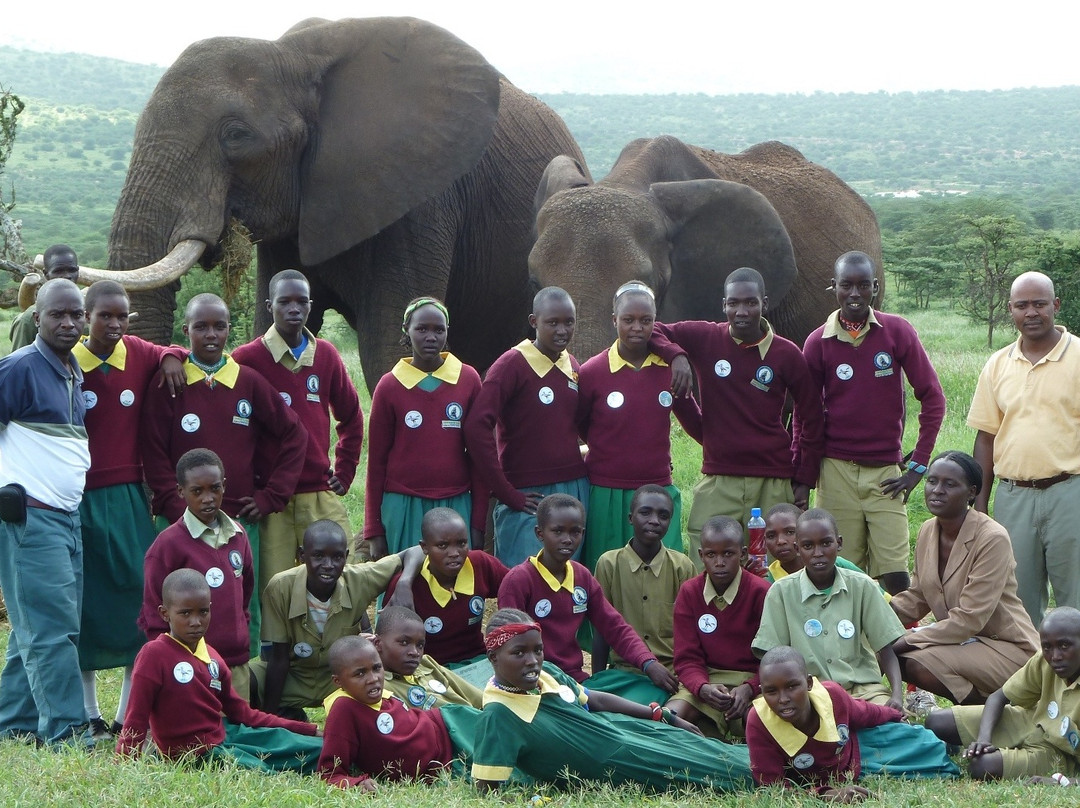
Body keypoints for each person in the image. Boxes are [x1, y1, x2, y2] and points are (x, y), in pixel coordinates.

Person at [140, 292, 307, 652]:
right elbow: (152, 450)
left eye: (219, 326)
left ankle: (242, 686)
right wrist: (172, 504)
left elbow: (295, 433)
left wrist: (272, 495)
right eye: (201, 327)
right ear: (186, 330)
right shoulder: (170, 382)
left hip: (237, 521)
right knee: (181, 607)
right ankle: (181, 679)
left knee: (241, 604)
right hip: (180, 519)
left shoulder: (248, 381)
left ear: (230, 329)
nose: (211, 334)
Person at [648, 267, 824, 565]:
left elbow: (812, 416)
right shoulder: (705, 337)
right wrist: (676, 355)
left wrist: (804, 478)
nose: (742, 311)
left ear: (764, 304)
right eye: (734, 303)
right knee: (709, 562)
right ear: (724, 305)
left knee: (774, 566)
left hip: (773, 479)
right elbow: (652, 329)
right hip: (719, 479)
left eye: (751, 303)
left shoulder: (786, 353)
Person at [72, 280, 185, 739]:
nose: (115, 325)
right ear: (85, 318)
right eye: (105, 316)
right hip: (76, 497)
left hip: (127, 496)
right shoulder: (67, 360)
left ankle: (125, 715)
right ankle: (86, 713)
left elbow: (168, 350)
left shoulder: (137, 353)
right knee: (83, 604)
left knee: (138, 598)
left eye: (122, 316)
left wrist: (174, 354)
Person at [470, 608, 753, 792]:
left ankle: (789, 757)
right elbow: (486, 790)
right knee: (721, 772)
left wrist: (662, 716)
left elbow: (595, 701)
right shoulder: (498, 714)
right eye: (519, 653)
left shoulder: (547, 673)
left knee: (698, 744)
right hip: (617, 763)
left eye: (538, 650)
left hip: (621, 731)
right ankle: (785, 772)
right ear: (493, 658)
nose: (533, 661)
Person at [799, 251, 945, 595]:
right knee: (840, 572)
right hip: (835, 472)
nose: (854, 293)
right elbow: (804, 417)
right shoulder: (817, 342)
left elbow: (933, 398)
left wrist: (918, 467)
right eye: (846, 285)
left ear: (875, 288)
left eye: (863, 285)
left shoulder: (897, 332)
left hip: (886, 474)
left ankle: (899, 644)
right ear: (832, 287)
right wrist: (804, 478)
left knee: (895, 575)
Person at [231, 269, 363, 599]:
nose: (294, 309)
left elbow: (351, 417)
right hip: (270, 497)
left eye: (301, 302)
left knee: (342, 578)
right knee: (274, 589)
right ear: (268, 306)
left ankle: (342, 646)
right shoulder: (248, 359)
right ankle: (278, 651)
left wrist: (344, 472)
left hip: (317, 491)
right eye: (284, 302)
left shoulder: (327, 355)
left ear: (310, 306)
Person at [0, 278, 91, 745]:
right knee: (52, 629)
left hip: (66, 518)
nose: (69, 322)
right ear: (37, 318)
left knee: (37, 626)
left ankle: (14, 724)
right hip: (30, 519)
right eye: (58, 314)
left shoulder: (73, 371)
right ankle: (69, 731)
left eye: (76, 314)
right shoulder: (19, 368)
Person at [116, 569, 321, 770]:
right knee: (259, 769)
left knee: (309, 747)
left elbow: (242, 713)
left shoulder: (212, 657)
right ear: (165, 613)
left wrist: (308, 730)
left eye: (203, 612)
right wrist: (125, 765)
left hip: (227, 734)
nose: (196, 622)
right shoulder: (154, 655)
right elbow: (136, 718)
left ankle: (340, 750)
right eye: (185, 613)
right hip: (197, 754)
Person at [969, 271, 1080, 625]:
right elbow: (986, 436)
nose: (1031, 312)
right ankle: (1027, 679)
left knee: (1074, 597)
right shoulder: (998, 364)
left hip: (1070, 493)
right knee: (1017, 600)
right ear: (1010, 310)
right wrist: (981, 503)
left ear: (1055, 306)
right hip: (1013, 497)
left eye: (1039, 304)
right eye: (1022, 305)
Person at [890, 451, 1038, 705]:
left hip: (1007, 648)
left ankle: (985, 716)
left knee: (912, 660)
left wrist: (906, 640)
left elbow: (969, 619)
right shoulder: (927, 530)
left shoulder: (992, 538)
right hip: (962, 642)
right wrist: (869, 621)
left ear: (971, 492)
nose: (937, 490)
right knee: (896, 656)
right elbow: (917, 597)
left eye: (950, 484)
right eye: (932, 481)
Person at [575, 282, 700, 569]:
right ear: (614, 321)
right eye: (628, 320)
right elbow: (580, 424)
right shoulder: (594, 371)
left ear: (655, 323)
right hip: (606, 491)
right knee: (605, 571)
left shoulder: (667, 370)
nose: (636, 328)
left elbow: (693, 421)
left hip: (656, 489)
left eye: (646, 321)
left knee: (663, 572)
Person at [463, 287, 589, 567]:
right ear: (534, 322)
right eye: (552, 322)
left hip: (573, 489)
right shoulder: (511, 365)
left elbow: (581, 424)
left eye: (569, 322)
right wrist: (506, 492)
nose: (562, 330)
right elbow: (476, 426)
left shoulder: (572, 366)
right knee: (523, 578)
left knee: (567, 579)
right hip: (528, 494)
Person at [497, 494, 674, 691]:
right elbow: (508, 645)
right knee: (617, 711)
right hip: (536, 681)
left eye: (575, 532)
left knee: (645, 686)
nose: (567, 540)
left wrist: (648, 663)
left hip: (576, 680)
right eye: (557, 531)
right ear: (540, 533)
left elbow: (614, 626)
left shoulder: (581, 576)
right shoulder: (519, 580)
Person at [250, 520, 421, 718]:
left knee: (389, 685)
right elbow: (278, 659)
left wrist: (404, 582)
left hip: (343, 676)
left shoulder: (360, 579)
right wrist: (270, 719)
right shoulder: (280, 587)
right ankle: (288, 716)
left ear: (346, 557)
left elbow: (415, 552)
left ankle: (365, 727)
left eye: (337, 557)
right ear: (301, 555)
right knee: (243, 680)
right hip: (294, 674)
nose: (328, 565)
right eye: (318, 556)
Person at [363, 297, 485, 559]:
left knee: (455, 588)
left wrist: (477, 522)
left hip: (456, 503)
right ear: (406, 330)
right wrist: (373, 529)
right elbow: (376, 463)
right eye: (422, 329)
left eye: (438, 329)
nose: (431, 337)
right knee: (405, 586)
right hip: (403, 505)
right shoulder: (390, 386)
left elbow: (479, 457)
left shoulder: (468, 380)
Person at [752, 508, 905, 708]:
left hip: (863, 691)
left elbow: (885, 648)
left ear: (839, 543)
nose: (818, 553)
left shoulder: (862, 586)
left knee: (896, 727)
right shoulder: (780, 592)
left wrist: (896, 696)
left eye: (826, 543)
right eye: (808, 546)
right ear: (798, 549)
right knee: (760, 719)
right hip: (807, 694)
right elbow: (771, 657)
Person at [138, 448, 255, 701]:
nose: (208, 499)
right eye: (197, 491)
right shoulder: (167, 545)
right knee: (200, 738)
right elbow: (153, 611)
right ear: (181, 491)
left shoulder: (238, 535)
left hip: (235, 663)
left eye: (214, 488)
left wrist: (241, 633)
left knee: (240, 733)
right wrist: (171, 662)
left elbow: (245, 593)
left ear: (224, 486)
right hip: (190, 667)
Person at [925, 607, 1080, 785]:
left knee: (981, 767)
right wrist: (984, 739)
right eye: (1047, 647)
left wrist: (1064, 782)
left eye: (1064, 645)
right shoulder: (1043, 660)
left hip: (1061, 751)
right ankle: (962, 746)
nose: (1055, 656)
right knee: (936, 722)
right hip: (1032, 720)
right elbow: (999, 697)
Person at [746, 646, 903, 801]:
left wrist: (895, 714)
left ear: (808, 683)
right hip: (807, 780)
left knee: (914, 740)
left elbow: (865, 712)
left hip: (853, 759)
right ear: (762, 691)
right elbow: (775, 790)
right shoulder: (758, 720)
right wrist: (827, 794)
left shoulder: (832, 695)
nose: (783, 699)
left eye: (792, 686)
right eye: (771, 691)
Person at [591, 485, 696, 704]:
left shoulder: (682, 567)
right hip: (623, 672)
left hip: (669, 675)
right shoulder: (609, 564)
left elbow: (691, 630)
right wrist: (597, 678)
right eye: (645, 512)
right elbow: (602, 628)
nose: (654, 520)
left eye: (663, 515)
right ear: (630, 518)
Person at [667, 516, 770, 737]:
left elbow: (774, 656)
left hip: (751, 681)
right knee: (669, 717)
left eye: (728, 554)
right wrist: (702, 688)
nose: (719, 562)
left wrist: (750, 688)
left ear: (742, 554)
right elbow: (686, 659)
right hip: (707, 679)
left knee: (764, 723)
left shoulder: (761, 592)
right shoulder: (690, 592)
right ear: (701, 555)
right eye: (711, 555)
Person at [317, 635, 464, 788]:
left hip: (449, 725)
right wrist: (358, 784)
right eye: (360, 673)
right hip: (447, 756)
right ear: (338, 681)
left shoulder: (383, 695)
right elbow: (329, 773)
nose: (373, 679)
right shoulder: (344, 708)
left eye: (377, 668)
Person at [383, 508, 508, 666]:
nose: (454, 553)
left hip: (477, 661)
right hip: (429, 668)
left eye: (461, 543)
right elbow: (389, 644)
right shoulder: (405, 587)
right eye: (442, 545)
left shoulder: (479, 564)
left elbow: (515, 585)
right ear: (424, 547)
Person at [374, 606, 484, 708]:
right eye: (404, 642)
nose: (415, 652)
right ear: (378, 643)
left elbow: (479, 698)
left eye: (420, 645)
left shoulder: (427, 664)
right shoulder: (379, 686)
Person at [764, 502, 869, 584]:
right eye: (771, 536)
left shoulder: (838, 565)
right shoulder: (766, 578)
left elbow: (881, 597)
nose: (781, 541)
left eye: (790, 532)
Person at [7, 244, 80, 352]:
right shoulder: (28, 320)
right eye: (59, 271)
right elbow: (19, 363)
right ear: (46, 274)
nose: (67, 276)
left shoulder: (86, 314)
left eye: (72, 270)